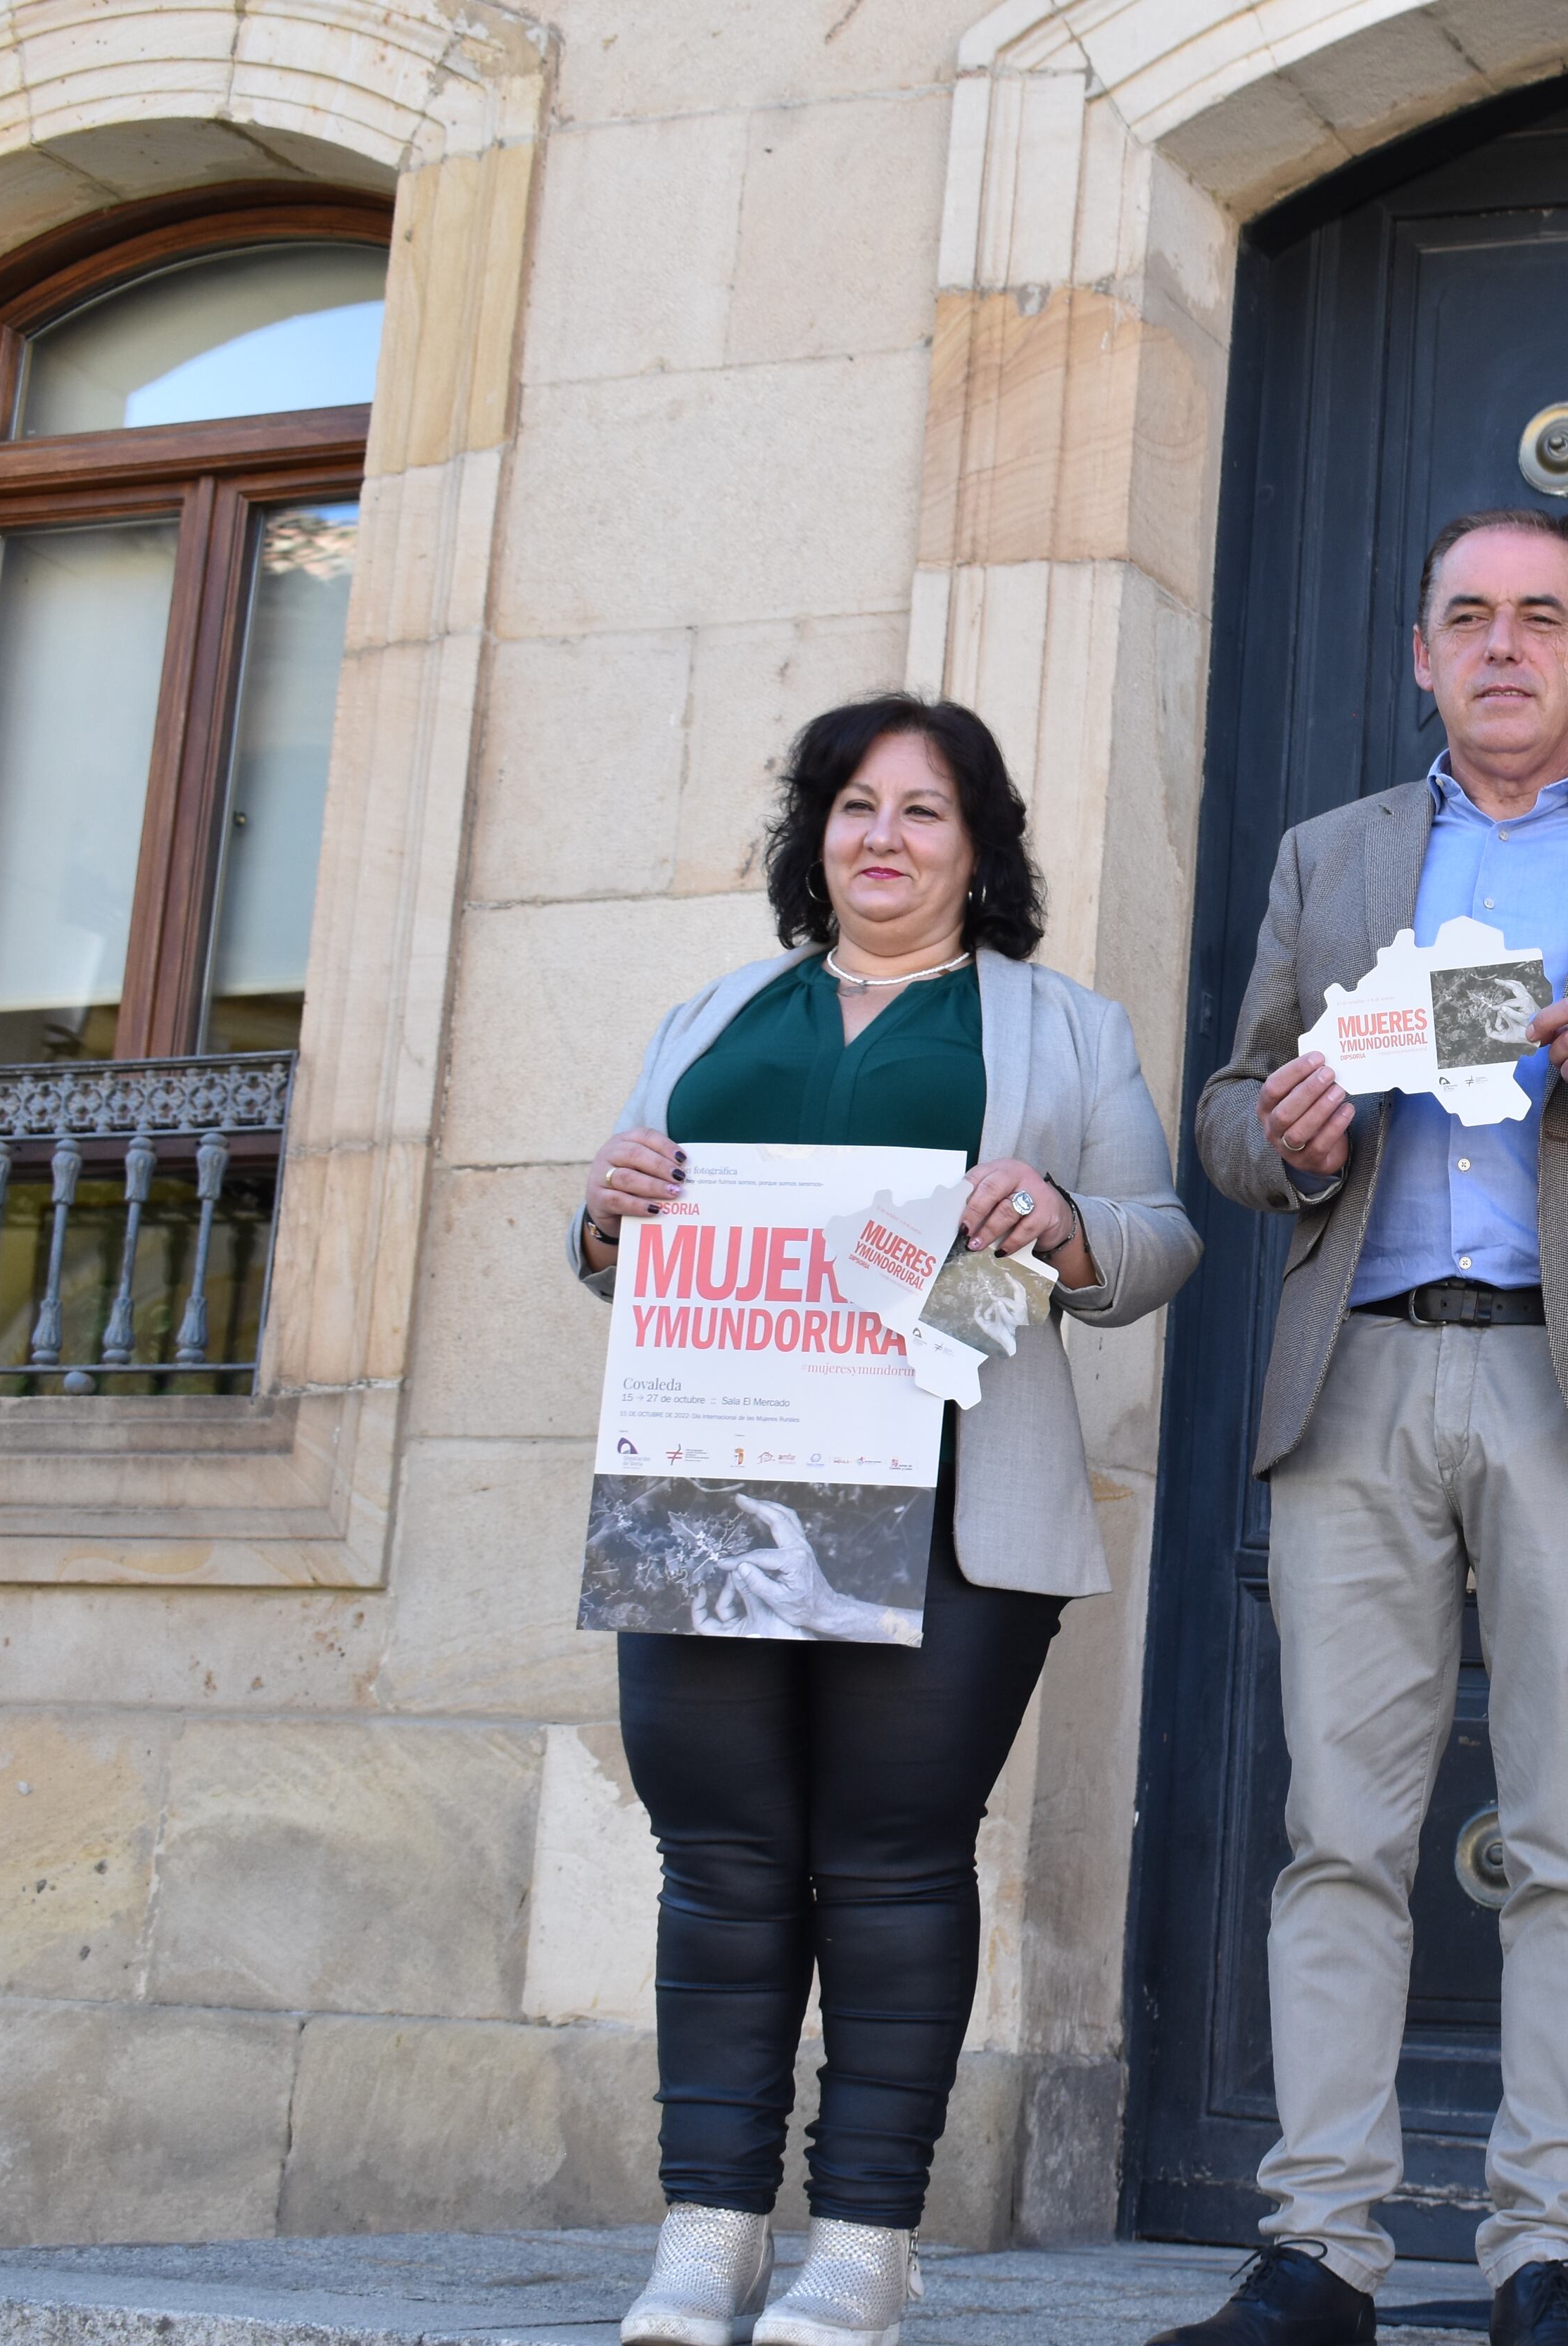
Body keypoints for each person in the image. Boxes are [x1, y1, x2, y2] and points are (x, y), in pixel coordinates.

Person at [1168, 510, 1568, 2346]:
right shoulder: (1336, 853)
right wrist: (1279, 1133)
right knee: (1339, 1830)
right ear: (1421, 655)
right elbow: (1226, 1111)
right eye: (1470, 618)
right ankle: (1322, 2249)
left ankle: (1550, 2251)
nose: (1505, 646)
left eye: (1544, 617)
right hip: (1357, 1362)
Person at [574, 695, 1201, 2346]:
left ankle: (863, 2240)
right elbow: (618, 1241)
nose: (884, 837)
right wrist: (602, 1208)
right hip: (710, 1492)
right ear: (814, 834)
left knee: (892, 1862)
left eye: (925, 811)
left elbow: (1155, 1243)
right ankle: (706, 2232)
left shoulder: (1064, 1030)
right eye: (856, 805)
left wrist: (1062, 1218)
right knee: (717, 1862)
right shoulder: (715, 1009)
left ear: (976, 847)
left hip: (950, 1503)